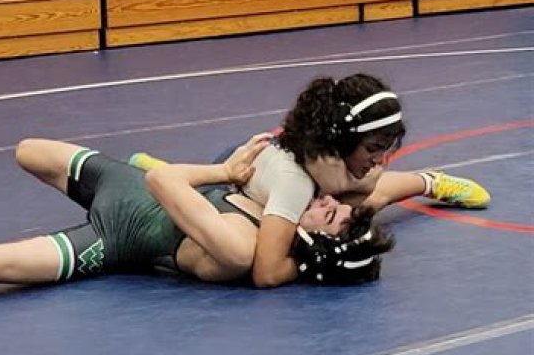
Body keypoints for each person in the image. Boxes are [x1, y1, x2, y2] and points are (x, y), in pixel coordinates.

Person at [0, 135, 394, 290]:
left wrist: (224, 172)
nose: (325, 201)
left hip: (114, 234)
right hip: (126, 181)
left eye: (329, 215)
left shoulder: (245, 248)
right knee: (27, 150)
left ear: (316, 243)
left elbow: (163, 179)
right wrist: (422, 185)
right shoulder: (283, 216)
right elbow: (372, 192)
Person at [129, 73, 489, 288]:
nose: (380, 158)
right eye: (374, 148)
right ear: (342, 140)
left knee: (358, 198)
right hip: (228, 186)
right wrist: (322, 258)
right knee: (350, 208)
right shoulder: (295, 184)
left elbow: (371, 185)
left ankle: (431, 182)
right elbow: (266, 272)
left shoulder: (336, 157)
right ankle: (173, 173)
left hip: (276, 175)